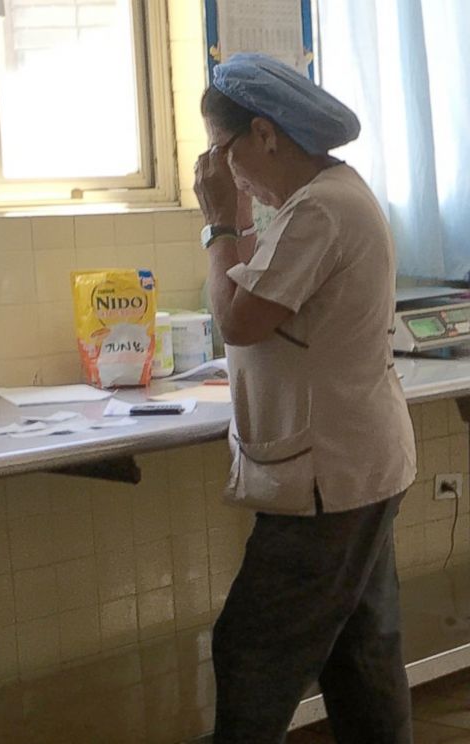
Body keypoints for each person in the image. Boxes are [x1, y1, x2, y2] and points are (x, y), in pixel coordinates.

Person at [193, 54, 417, 743]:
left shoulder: (319, 209)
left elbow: (237, 319)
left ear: (263, 135)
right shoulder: (328, 197)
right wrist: (239, 227)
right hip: (358, 466)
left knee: (251, 652)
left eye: (219, 152)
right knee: (360, 654)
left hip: (332, 480)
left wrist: (219, 222)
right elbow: (262, 299)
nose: (218, 170)